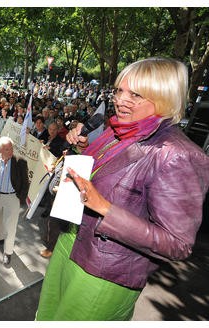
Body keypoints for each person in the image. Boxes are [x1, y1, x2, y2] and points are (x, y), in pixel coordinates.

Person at [35, 57, 209, 320]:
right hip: (68, 241)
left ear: (165, 96)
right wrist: (83, 152)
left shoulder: (178, 154)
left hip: (104, 271)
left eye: (135, 94)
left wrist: (104, 208)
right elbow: (114, 178)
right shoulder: (116, 130)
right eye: (119, 90)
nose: (120, 100)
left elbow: (178, 244)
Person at [0, 136, 30, 265]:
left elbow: (26, 182)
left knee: (11, 226)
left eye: (11, 148)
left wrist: (19, 198)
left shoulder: (20, 161)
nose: (10, 151)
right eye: (7, 149)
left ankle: (8, 252)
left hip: (12, 197)